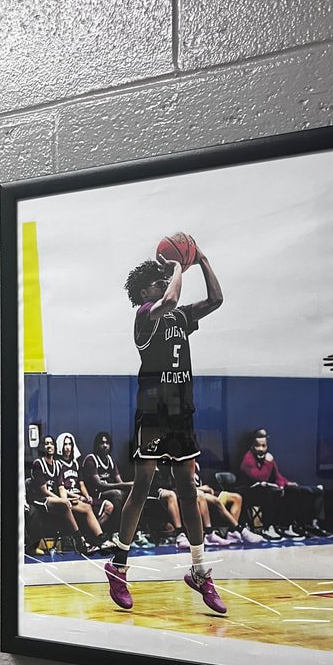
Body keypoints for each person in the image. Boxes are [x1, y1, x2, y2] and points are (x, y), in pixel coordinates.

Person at [103, 245, 228, 614]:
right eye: (156, 282)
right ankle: (119, 565)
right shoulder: (146, 315)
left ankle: (200, 570)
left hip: (180, 413)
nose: (165, 283)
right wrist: (177, 266)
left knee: (188, 490)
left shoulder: (180, 317)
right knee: (143, 487)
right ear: (145, 293)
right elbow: (171, 298)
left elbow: (217, 299)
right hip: (153, 414)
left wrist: (202, 260)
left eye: (165, 279)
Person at [239, 429, 328, 538]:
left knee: (293, 490)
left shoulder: (268, 458)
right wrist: (268, 463)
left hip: (267, 490)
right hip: (250, 493)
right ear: (252, 446)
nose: (261, 449)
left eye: (264, 445)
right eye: (258, 446)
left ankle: (289, 526)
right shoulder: (247, 460)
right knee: (271, 491)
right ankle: (268, 528)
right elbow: (260, 477)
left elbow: (277, 476)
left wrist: (285, 484)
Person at [30, 436, 104, 555]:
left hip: (56, 499)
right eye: (46, 444)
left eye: (51, 444)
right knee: (65, 504)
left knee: (86, 507)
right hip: (41, 500)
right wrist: (62, 500)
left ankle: (100, 539)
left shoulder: (58, 465)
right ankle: (81, 543)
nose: (49, 446)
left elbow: (61, 487)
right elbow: (43, 490)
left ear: (55, 447)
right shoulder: (38, 463)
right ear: (42, 447)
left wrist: (65, 499)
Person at [56, 434, 114, 548]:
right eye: (65, 444)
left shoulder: (76, 463)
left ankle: (90, 536)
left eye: (70, 444)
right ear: (60, 446)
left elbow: (81, 484)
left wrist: (87, 495)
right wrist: (76, 496)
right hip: (69, 498)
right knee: (87, 508)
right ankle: (100, 538)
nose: (67, 447)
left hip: (80, 496)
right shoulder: (58, 464)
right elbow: (60, 488)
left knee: (109, 506)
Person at [82, 431, 132, 535]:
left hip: (108, 492)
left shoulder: (111, 460)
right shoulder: (91, 459)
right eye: (102, 443)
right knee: (117, 494)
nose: (105, 446)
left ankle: (133, 531)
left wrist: (131, 487)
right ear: (96, 445)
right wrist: (125, 485)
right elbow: (99, 485)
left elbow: (119, 481)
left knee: (130, 494)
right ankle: (115, 532)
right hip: (95, 494)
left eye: (107, 443)